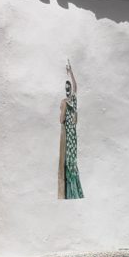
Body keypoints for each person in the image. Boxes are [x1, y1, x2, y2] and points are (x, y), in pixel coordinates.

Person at [59, 61, 84, 199]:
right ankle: (73, 190)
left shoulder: (66, 101)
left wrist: (62, 109)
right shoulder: (72, 99)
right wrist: (72, 72)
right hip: (72, 134)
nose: (69, 90)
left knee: (70, 159)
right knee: (72, 159)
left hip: (69, 134)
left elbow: (61, 120)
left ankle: (71, 190)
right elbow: (76, 86)